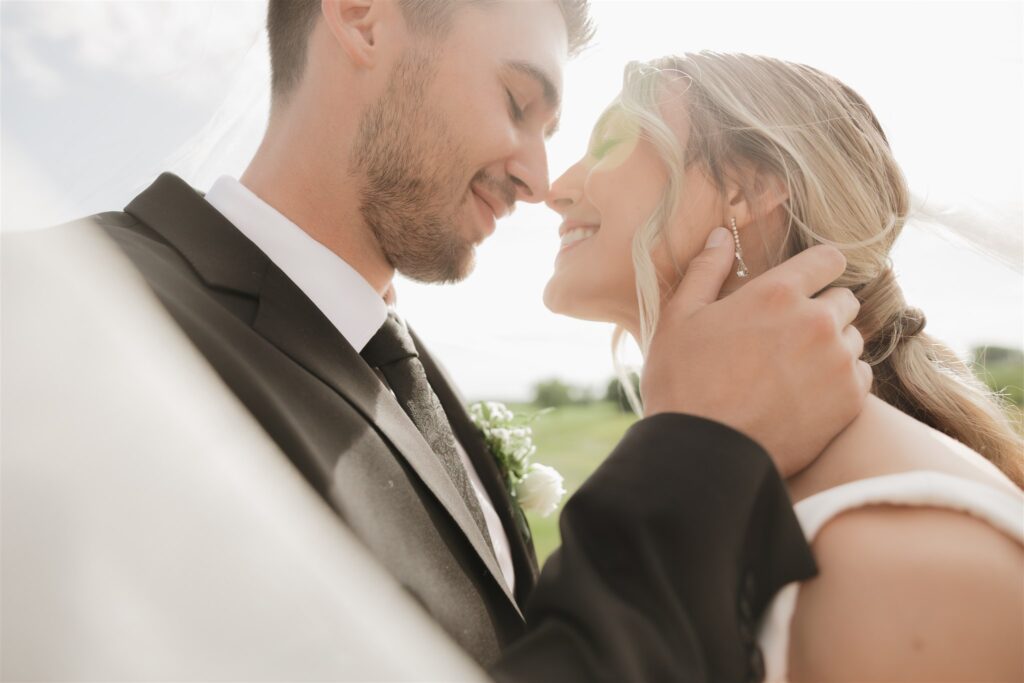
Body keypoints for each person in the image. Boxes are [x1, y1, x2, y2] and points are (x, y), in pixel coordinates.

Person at [66, 2, 868, 680]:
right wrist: (700, 451)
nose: (538, 177)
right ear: (360, 18)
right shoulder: (78, 316)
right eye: (519, 103)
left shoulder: (409, 373)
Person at [543, 51, 1024, 682]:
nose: (557, 190)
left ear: (745, 189)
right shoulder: (719, 493)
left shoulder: (907, 560)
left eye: (610, 143)